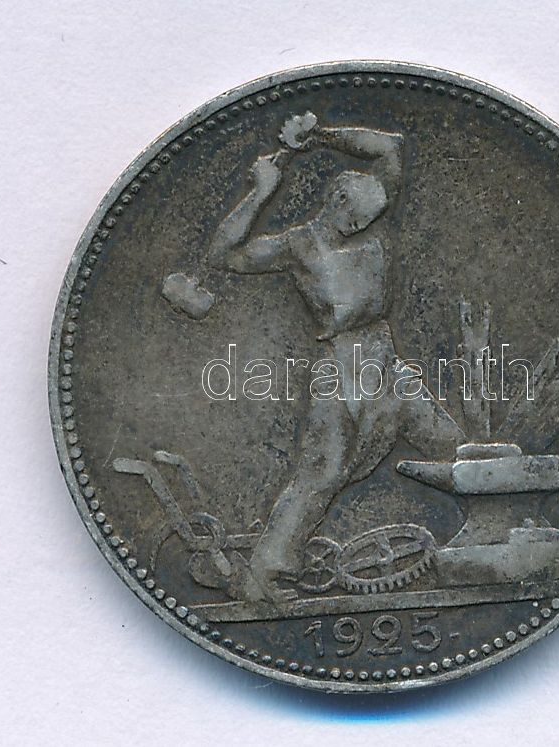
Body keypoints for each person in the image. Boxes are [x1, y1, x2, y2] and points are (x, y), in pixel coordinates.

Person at [209, 112, 465, 603]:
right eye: (356, 218)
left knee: (455, 448)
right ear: (337, 201)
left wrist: (319, 136)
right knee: (321, 474)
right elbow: (224, 255)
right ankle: (261, 578)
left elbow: (390, 146)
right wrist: (261, 192)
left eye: (371, 219)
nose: (364, 227)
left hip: (386, 365)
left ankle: (490, 542)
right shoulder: (299, 245)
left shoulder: (372, 218)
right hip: (341, 370)